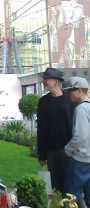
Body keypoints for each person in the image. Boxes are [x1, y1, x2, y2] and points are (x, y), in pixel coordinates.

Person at [37, 67, 73, 196]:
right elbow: (40, 129)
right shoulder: (43, 102)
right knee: (55, 187)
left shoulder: (69, 100)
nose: (43, 81)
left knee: (71, 186)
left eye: (46, 79)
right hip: (51, 151)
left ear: (56, 81)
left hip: (69, 150)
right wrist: (41, 154)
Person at [64, 77, 90, 208]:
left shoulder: (81, 109)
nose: (68, 95)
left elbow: (80, 135)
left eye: (70, 91)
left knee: (70, 197)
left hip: (80, 160)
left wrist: (68, 149)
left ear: (79, 90)